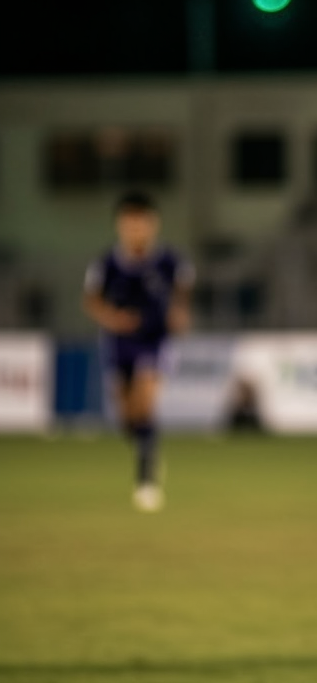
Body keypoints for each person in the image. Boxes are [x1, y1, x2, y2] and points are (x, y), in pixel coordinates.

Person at [83, 190, 194, 511]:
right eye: (130, 223)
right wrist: (112, 319)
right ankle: (147, 444)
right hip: (119, 343)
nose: (136, 229)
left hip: (154, 340)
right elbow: (92, 300)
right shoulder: (107, 264)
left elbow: (182, 291)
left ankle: (146, 479)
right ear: (120, 226)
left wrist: (179, 314)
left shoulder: (169, 261)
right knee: (128, 416)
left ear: (153, 224)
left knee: (145, 398)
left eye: (142, 223)